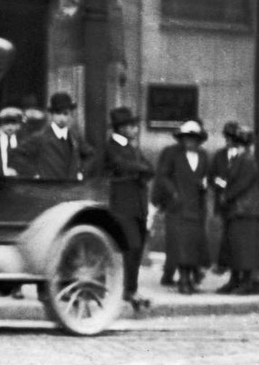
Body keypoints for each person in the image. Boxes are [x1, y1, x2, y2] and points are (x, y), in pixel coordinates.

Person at [102, 106, 155, 312]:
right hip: (122, 204)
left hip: (138, 204)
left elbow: (150, 168)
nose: (135, 129)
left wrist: (138, 170)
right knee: (131, 246)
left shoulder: (133, 148)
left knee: (138, 247)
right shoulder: (112, 147)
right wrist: (139, 170)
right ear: (121, 128)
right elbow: (123, 165)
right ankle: (128, 289)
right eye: (131, 126)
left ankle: (131, 289)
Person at [152, 120, 210, 295]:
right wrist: (173, 194)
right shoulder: (173, 155)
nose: (190, 142)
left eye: (194, 138)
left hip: (195, 206)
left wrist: (204, 184)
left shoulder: (203, 156)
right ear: (181, 139)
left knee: (193, 243)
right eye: (186, 138)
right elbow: (163, 176)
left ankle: (191, 278)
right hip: (178, 206)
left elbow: (205, 176)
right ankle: (183, 279)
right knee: (180, 243)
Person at [215, 126, 259, 295]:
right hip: (238, 210)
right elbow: (229, 180)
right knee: (234, 247)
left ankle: (245, 281)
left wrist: (226, 196)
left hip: (246, 210)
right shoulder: (239, 158)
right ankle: (234, 279)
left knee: (244, 248)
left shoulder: (247, 159)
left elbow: (243, 183)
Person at [16, 92, 92, 180]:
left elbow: (90, 155)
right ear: (52, 114)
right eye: (58, 113)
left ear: (70, 115)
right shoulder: (41, 137)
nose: (62, 118)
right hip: (49, 188)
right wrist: (34, 174)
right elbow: (17, 154)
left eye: (65, 113)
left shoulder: (74, 136)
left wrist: (81, 172)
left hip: (71, 188)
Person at [208, 121, 241, 279]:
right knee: (225, 231)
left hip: (237, 202)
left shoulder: (242, 156)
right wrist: (219, 183)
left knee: (234, 233)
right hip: (222, 200)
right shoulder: (220, 155)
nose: (229, 141)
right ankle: (222, 263)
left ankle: (229, 264)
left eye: (232, 138)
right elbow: (212, 176)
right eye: (227, 137)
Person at [0, 106, 26, 178]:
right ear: (1, 125)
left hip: (18, 181)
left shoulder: (23, 142)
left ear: (19, 125)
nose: (10, 127)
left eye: (13, 123)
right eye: (6, 123)